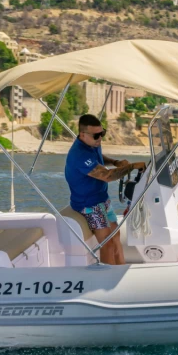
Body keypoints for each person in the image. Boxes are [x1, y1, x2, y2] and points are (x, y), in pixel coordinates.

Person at [65, 114, 146, 265]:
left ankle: (120, 269)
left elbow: (98, 157)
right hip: (89, 205)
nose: (100, 138)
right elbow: (107, 176)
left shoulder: (92, 143)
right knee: (107, 244)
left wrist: (115, 162)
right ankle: (107, 280)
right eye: (96, 135)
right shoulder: (79, 155)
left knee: (116, 236)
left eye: (102, 133)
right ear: (82, 134)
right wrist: (131, 167)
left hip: (102, 198)